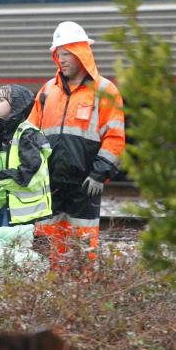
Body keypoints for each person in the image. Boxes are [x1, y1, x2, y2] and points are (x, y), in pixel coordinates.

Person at [27, 21, 125, 264]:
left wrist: (99, 174)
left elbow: (114, 137)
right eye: (59, 54)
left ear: (82, 54)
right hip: (49, 185)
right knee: (45, 245)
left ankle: (81, 292)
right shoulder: (48, 90)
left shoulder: (105, 90)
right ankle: (48, 291)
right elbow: (29, 133)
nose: (62, 60)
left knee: (82, 246)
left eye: (67, 54)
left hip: (85, 184)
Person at [0, 84, 52, 229]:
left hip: (19, 211)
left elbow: (31, 170)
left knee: (12, 250)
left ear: (16, 105)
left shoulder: (27, 134)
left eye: (1, 100)